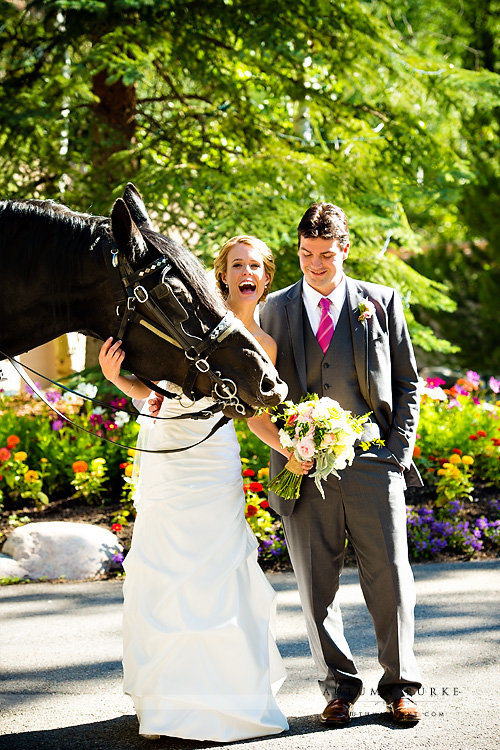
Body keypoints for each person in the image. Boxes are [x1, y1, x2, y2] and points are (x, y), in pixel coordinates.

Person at [98, 235, 300, 743]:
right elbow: (155, 395)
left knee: (216, 570)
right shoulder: (186, 313)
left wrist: (295, 452)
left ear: (265, 277)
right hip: (168, 452)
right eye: (236, 264)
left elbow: (254, 419)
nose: (245, 272)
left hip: (214, 460)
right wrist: (117, 379)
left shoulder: (265, 343)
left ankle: (227, 700)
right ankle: (169, 704)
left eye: (254, 265)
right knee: (165, 571)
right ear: (223, 273)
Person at [251, 202, 423, 726]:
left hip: (373, 459)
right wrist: (289, 448)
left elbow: (408, 382)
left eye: (325, 255)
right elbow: (256, 393)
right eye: (305, 254)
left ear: (344, 249)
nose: (314, 265)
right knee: (315, 584)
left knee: (389, 577)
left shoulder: (381, 302)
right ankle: (338, 689)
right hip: (301, 467)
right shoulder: (273, 310)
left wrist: (397, 452)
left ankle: (399, 687)